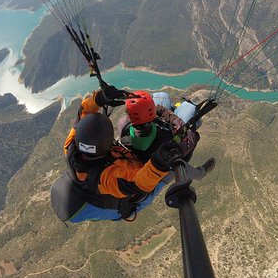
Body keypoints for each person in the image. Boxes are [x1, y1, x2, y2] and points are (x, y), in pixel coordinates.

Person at [51, 87, 184, 223]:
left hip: (128, 167)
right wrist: (159, 163)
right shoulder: (106, 178)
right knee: (169, 170)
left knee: (162, 98)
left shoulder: (72, 146)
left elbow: (83, 113)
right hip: (136, 190)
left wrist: (99, 98)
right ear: (107, 145)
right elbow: (140, 183)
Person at [116, 90, 215, 181]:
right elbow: (189, 140)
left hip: (162, 135)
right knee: (191, 111)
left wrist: (173, 118)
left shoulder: (123, 123)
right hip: (167, 159)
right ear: (152, 116)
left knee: (162, 96)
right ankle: (201, 173)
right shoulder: (164, 144)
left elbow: (156, 109)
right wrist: (190, 132)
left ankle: (176, 109)